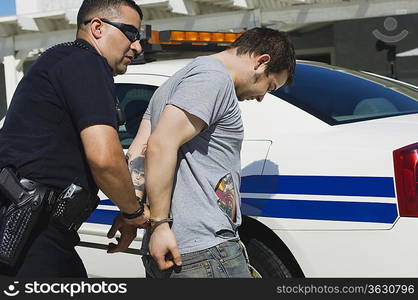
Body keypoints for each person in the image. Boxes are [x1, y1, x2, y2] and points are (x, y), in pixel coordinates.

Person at [127, 27, 295, 278]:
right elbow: (160, 144)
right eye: (269, 87)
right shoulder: (213, 79)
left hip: (175, 247)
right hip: (203, 251)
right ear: (261, 62)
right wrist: (160, 224)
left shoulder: (174, 83)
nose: (261, 97)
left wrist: (133, 215)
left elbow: (136, 153)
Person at [0, 0, 148, 277]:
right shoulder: (86, 63)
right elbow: (105, 159)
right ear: (97, 28)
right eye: (131, 34)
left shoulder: (60, 59)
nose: (137, 46)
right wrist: (133, 213)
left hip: (36, 231)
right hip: (32, 236)